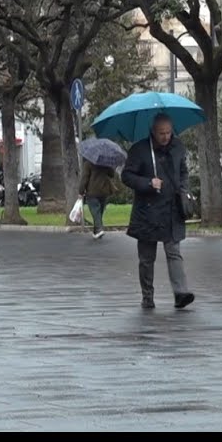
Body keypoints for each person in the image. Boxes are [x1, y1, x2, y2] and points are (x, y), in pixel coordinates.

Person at [122, 113, 195, 310]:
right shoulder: (139, 150)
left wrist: (184, 190)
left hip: (172, 209)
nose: (165, 137)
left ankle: (181, 293)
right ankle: (148, 296)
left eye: (169, 132)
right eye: (161, 133)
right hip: (148, 212)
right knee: (146, 259)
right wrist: (148, 182)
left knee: (174, 252)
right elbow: (126, 176)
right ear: (153, 131)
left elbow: (183, 172)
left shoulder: (178, 147)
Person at [78, 159, 118, 240]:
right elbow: (112, 174)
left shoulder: (88, 163)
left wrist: (81, 191)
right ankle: (96, 232)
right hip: (104, 191)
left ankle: (99, 229)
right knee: (99, 212)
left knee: (95, 211)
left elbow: (84, 178)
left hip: (92, 191)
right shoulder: (106, 163)